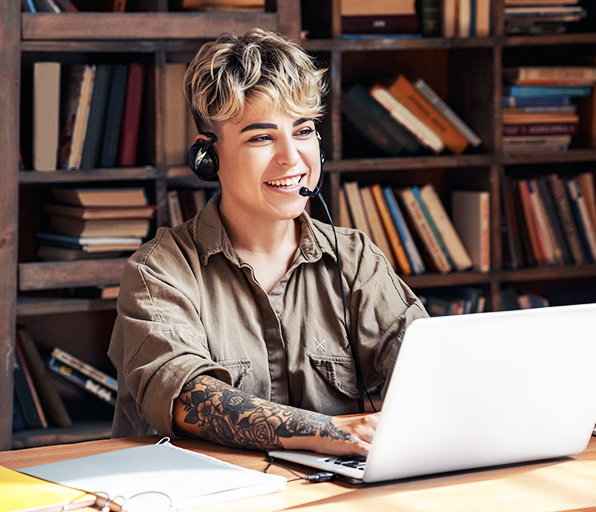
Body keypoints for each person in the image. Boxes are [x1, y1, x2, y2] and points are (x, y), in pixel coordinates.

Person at [108, 28, 428, 458]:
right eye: (261, 137)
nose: (292, 158)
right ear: (208, 157)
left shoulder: (355, 260)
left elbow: (427, 366)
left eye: (303, 131)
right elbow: (189, 397)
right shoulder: (158, 272)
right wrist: (328, 433)